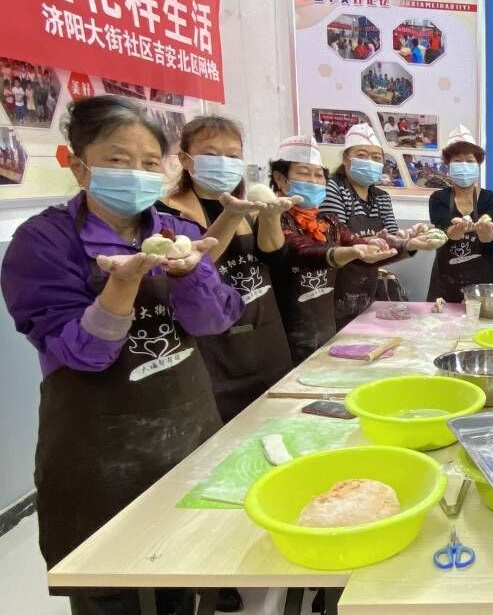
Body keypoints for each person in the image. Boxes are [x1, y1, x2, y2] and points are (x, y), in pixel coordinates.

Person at [1, 95, 242, 615]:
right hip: (99, 454)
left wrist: (190, 275)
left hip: (188, 431)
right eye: (118, 159)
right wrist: (122, 286)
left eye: (150, 162)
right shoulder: (43, 243)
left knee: (187, 573)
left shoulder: (178, 232)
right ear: (79, 166)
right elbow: (82, 355)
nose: (136, 173)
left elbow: (215, 321)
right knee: (114, 591)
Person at [164, 115, 298, 422]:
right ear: (185, 159)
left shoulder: (250, 205)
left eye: (232, 156)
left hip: (263, 337)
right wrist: (230, 216)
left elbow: (274, 258)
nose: (223, 163)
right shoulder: (169, 213)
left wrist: (272, 217)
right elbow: (193, 267)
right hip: (215, 345)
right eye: (211, 154)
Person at [269, 135, 398, 363]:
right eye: (304, 173)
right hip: (290, 329)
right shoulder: (274, 219)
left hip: (326, 322)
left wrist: (405, 245)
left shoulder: (328, 221)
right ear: (280, 179)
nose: (313, 181)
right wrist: (343, 253)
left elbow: (355, 244)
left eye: (319, 175)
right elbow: (301, 251)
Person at [321, 123, 441, 328]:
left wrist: (410, 239)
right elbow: (338, 239)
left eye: (376, 157)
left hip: (367, 286)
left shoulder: (381, 197)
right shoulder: (333, 189)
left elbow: (393, 240)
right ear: (346, 159)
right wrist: (378, 242)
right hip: (336, 287)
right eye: (362, 155)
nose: (370, 161)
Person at [426, 125, 493, 301]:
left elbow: (489, 238)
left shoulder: (489, 198)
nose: (464, 165)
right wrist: (454, 231)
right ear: (448, 165)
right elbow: (443, 233)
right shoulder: (438, 198)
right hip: (446, 281)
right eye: (457, 160)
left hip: (484, 280)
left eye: (470, 161)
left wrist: (485, 229)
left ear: (478, 164)